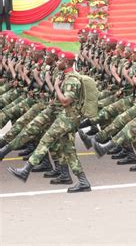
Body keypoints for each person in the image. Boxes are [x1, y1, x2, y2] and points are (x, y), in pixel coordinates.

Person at [8, 51, 92, 193]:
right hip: (68, 117)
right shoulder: (65, 76)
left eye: (60, 60)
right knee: (69, 151)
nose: (57, 62)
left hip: (69, 118)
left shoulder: (72, 80)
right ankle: (84, 182)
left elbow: (65, 101)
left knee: (46, 140)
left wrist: (57, 86)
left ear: (66, 62)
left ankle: (26, 170)